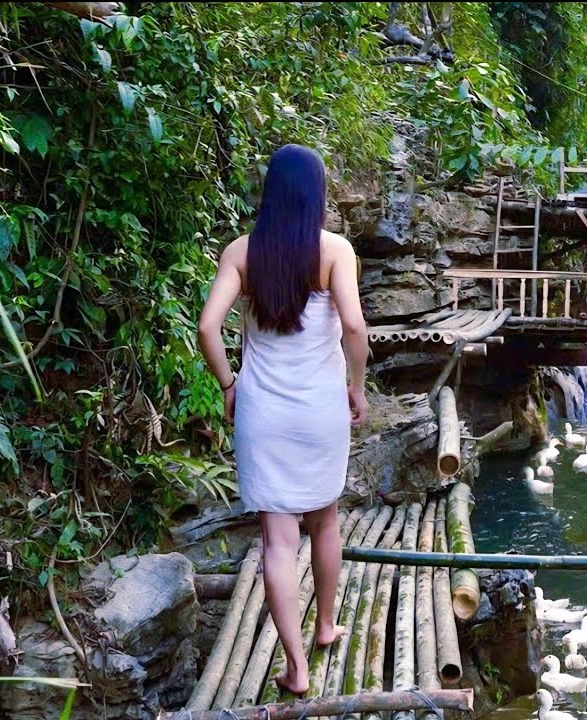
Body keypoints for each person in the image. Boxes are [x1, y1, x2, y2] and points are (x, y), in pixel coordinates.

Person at [197, 144, 369, 696]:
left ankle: (296, 667)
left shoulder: (242, 253)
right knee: (325, 521)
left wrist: (229, 385)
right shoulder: (335, 250)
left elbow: (207, 328)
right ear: (316, 195)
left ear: (271, 192)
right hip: (320, 410)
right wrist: (357, 387)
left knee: (277, 542)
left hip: (263, 412)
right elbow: (355, 328)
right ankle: (326, 626)